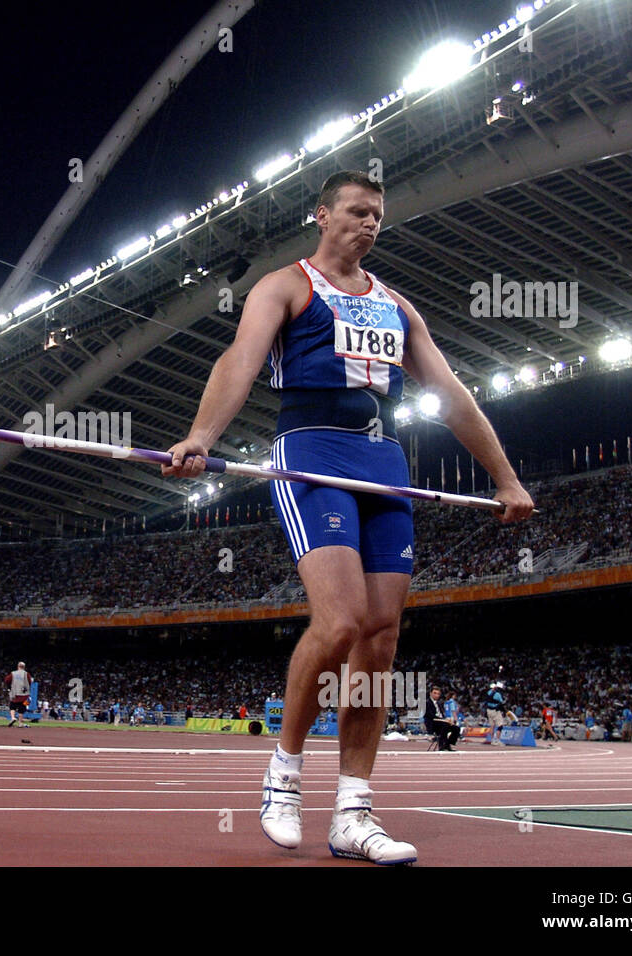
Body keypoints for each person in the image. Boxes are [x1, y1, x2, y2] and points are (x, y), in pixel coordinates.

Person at [164, 168, 535, 864]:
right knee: (337, 623)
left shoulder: (397, 305)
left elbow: (452, 394)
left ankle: (353, 813)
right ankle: (283, 774)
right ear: (322, 215)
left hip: (383, 462)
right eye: (358, 212)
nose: (370, 224)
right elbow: (239, 361)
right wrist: (202, 438)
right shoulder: (286, 285)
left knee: (381, 639)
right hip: (310, 452)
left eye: (378, 217)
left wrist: (506, 478)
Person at [424, 686, 460, 750]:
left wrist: (447, 720)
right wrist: (443, 720)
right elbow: (430, 716)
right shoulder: (427, 703)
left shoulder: (439, 703)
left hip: (441, 722)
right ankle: (442, 745)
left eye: (438, 694)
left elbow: (442, 715)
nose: (436, 695)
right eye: (434, 693)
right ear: (430, 693)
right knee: (445, 725)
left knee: (456, 728)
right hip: (433, 723)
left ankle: (447, 744)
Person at [4, 662, 32, 727]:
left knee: (12, 706)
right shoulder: (26, 674)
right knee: (22, 709)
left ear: (18, 666)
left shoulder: (13, 673)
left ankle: (13, 717)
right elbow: (30, 682)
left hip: (15, 694)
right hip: (25, 695)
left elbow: (6, 680)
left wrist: (9, 687)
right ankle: (20, 723)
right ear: (24, 667)